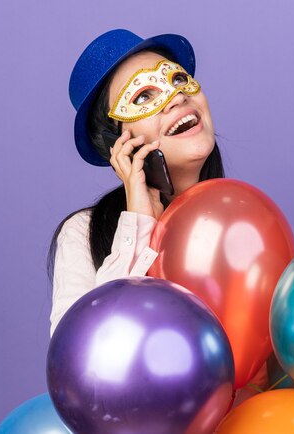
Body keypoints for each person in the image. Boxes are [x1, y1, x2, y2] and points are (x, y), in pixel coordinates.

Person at [47, 29, 266, 401]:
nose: (175, 96)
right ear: (119, 144)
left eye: (178, 79)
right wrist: (139, 224)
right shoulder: (81, 234)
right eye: (144, 96)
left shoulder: (246, 226)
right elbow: (83, 367)